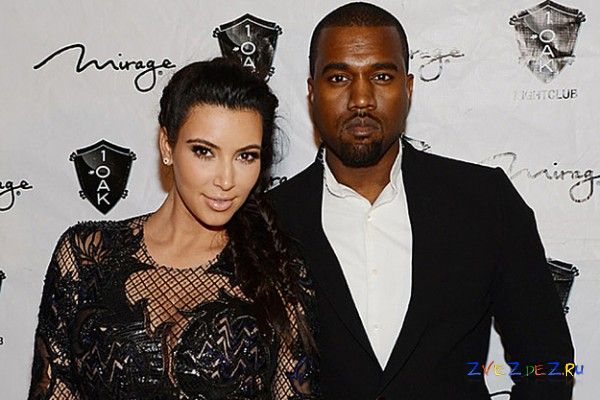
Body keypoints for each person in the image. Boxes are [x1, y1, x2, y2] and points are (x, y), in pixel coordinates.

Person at [268, 2, 574, 399]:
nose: (361, 99)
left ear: (408, 87)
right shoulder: (268, 220)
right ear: (312, 91)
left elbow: (549, 365)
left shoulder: (485, 203)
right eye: (339, 77)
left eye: (381, 76)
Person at [28, 58, 317, 400]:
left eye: (245, 156)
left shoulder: (278, 268)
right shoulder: (87, 255)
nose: (226, 180)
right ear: (167, 145)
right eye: (204, 152)